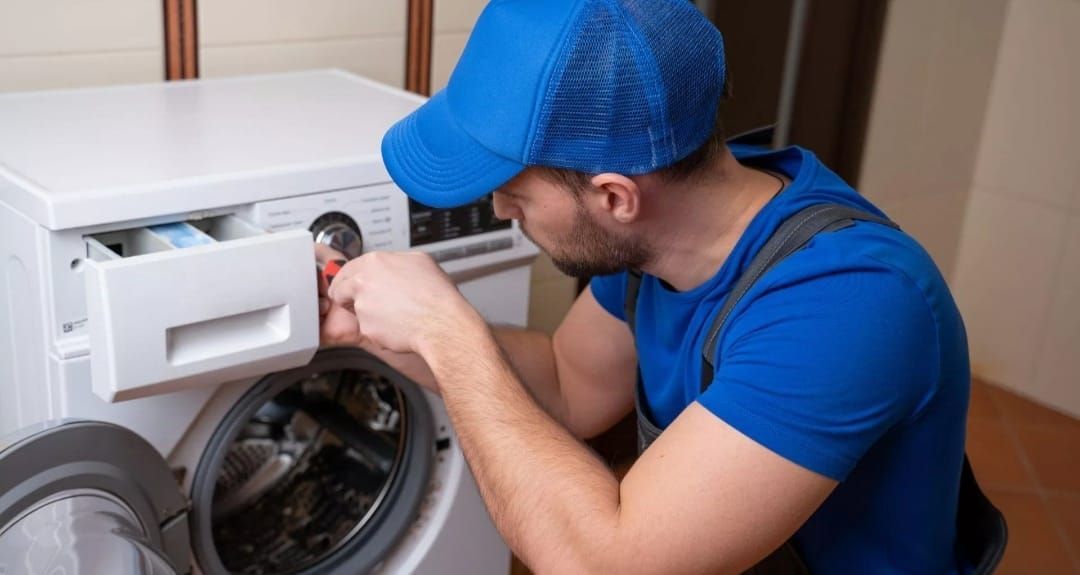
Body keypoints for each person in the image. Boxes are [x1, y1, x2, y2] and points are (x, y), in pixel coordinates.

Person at [319, 0, 972, 573]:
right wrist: (399, 336)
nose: (500, 211)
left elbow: (601, 562)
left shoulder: (848, 303)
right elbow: (568, 383)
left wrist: (448, 332)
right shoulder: (666, 237)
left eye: (514, 193)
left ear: (615, 196)